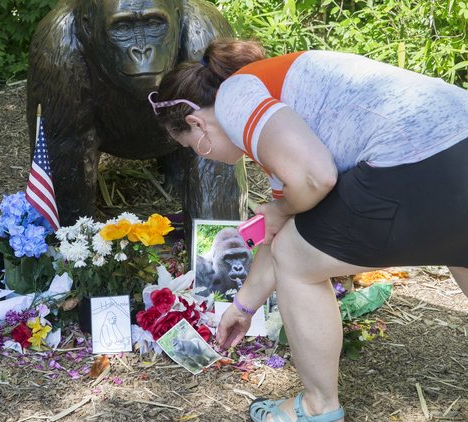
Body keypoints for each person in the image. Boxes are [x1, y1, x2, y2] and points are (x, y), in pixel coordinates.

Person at [147, 38, 468, 422]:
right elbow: (285, 227)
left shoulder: (235, 96)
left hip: (414, 161)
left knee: (297, 263)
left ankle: (317, 407)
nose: (203, 155)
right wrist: (243, 307)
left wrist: (280, 208)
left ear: (196, 124)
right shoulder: (276, 108)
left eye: (190, 147)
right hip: (456, 145)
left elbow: (315, 178)